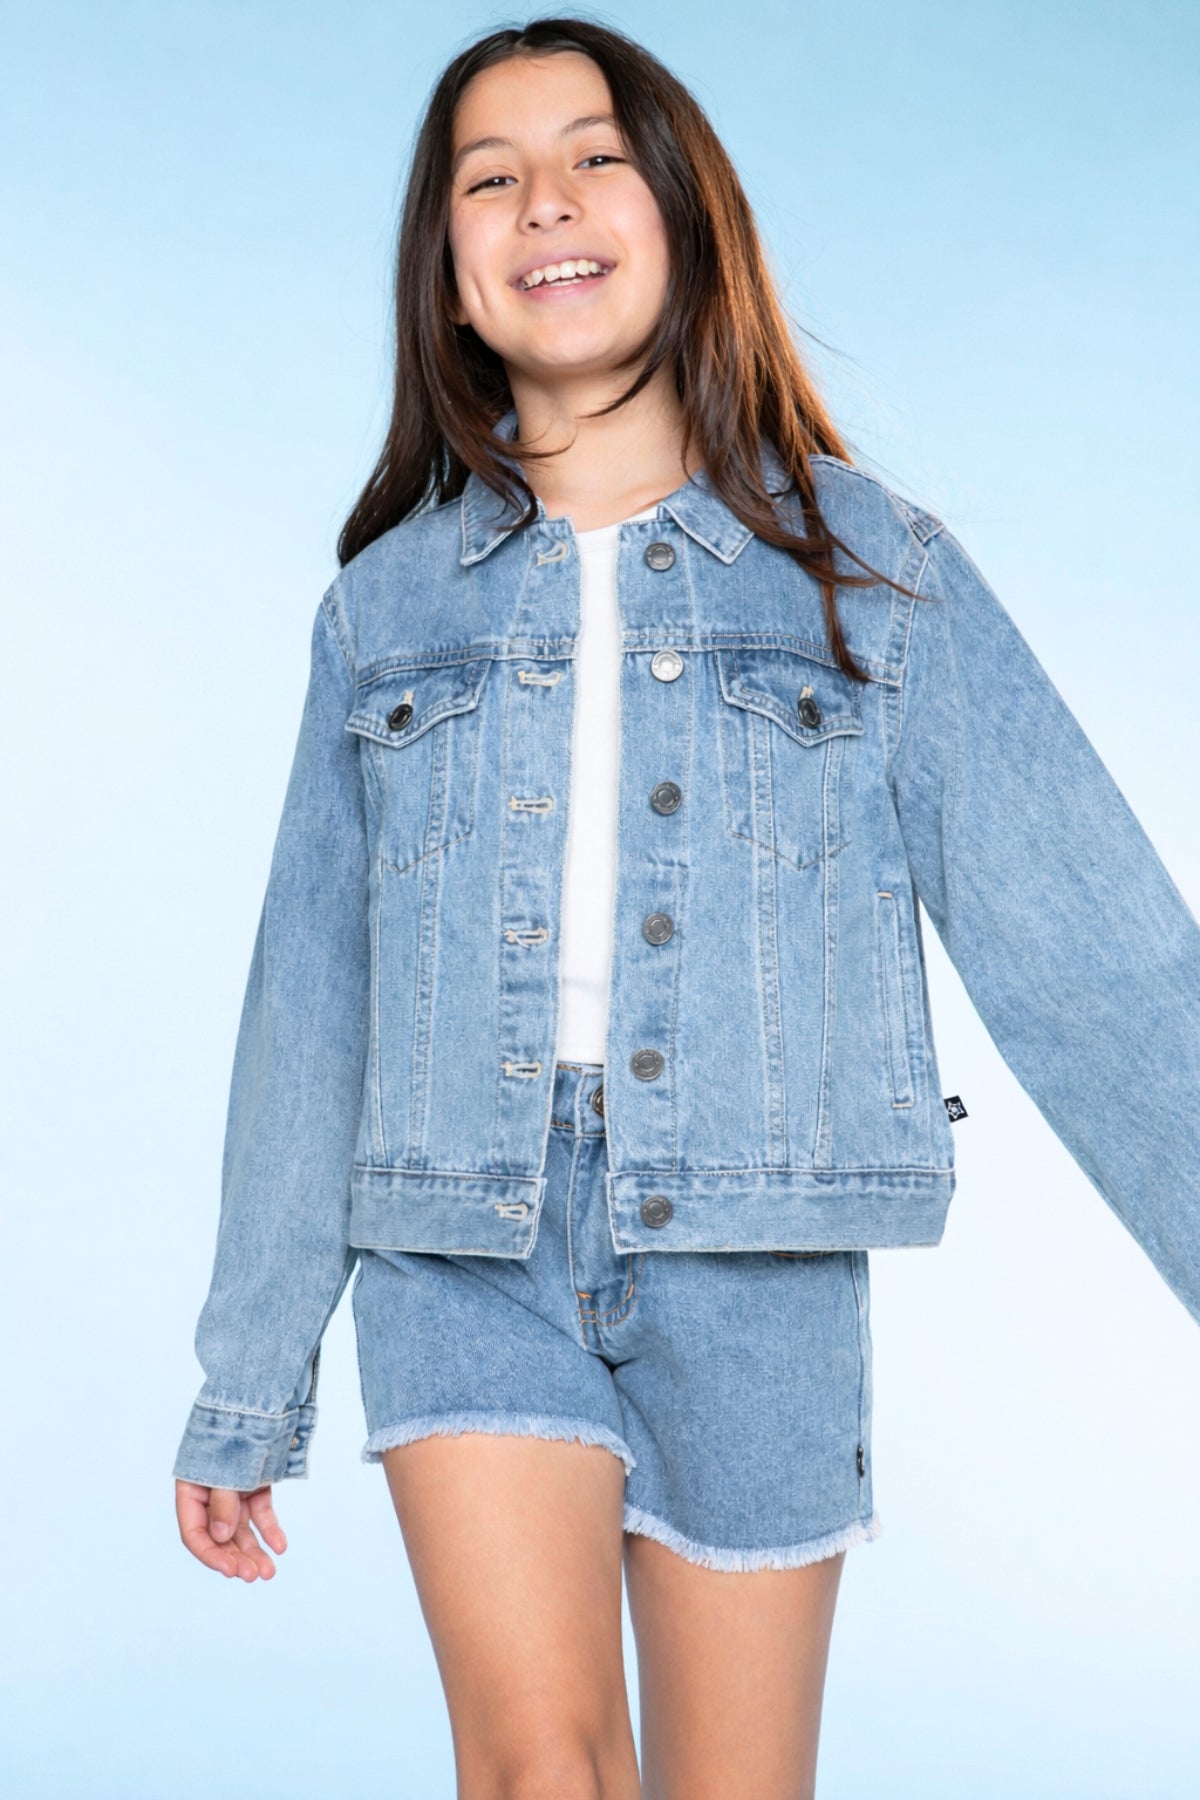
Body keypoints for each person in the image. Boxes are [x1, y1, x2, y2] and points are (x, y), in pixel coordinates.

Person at [172, 17, 1200, 1798]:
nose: (545, 202)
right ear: (450, 275)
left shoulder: (869, 574)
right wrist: (250, 1376)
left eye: (595, 158)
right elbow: (311, 1005)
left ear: (687, 216)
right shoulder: (380, 616)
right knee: (542, 1768)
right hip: (461, 1244)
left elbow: (1095, 950)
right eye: (490, 178)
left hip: (758, 1248)